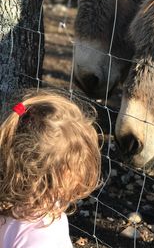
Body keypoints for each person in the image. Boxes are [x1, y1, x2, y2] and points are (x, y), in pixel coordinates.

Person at [0, 89, 101, 248]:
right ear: (60, 176)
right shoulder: (41, 236)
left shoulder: (15, 209)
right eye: (78, 166)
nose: (81, 174)